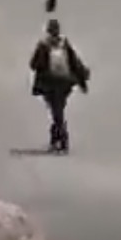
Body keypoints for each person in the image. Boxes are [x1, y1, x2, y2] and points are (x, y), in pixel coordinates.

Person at [29, 17, 89, 154]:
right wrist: (82, 79)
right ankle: (58, 139)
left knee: (56, 112)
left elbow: (33, 65)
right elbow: (75, 62)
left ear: (48, 30)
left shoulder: (43, 44)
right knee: (59, 110)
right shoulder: (64, 43)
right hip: (64, 82)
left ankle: (61, 140)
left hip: (50, 83)